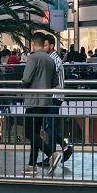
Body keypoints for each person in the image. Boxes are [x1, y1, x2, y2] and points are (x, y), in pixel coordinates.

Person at [22, 33, 57, 173]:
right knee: (35, 133)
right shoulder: (50, 59)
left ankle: (51, 154)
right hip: (46, 101)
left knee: (29, 132)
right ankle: (32, 165)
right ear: (44, 43)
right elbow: (54, 82)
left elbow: (26, 79)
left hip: (33, 100)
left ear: (33, 43)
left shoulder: (33, 58)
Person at [43, 34, 74, 171]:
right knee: (49, 126)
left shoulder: (54, 59)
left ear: (51, 45)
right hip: (53, 96)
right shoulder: (52, 58)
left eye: (45, 45)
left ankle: (65, 147)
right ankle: (53, 154)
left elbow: (49, 78)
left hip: (55, 96)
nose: (43, 48)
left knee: (49, 127)